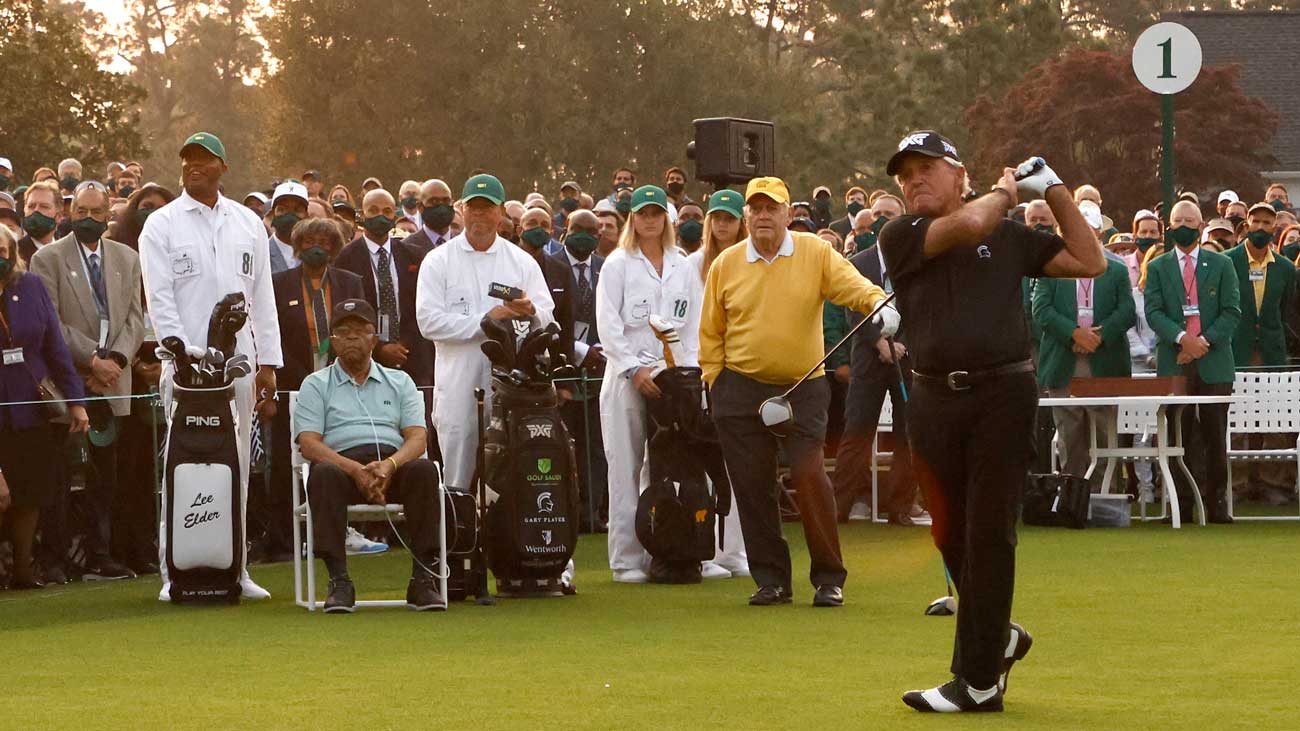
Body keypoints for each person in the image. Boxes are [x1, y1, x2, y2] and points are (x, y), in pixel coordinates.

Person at [879, 132, 1101, 712]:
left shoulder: (1006, 234)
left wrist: (1052, 189)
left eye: (927, 169)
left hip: (1004, 393)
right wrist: (1006, 193)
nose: (914, 181)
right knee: (949, 532)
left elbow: (1090, 259)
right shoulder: (901, 233)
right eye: (905, 175)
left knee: (989, 534)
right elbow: (968, 228)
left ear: (959, 175)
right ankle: (997, 636)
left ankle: (977, 683)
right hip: (932, 398)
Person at [701, 176, 890, 609]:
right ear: (747, 215)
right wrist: (716, 381)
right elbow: (711, 330)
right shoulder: (726, 264)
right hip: (739, 387)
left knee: (809, 475)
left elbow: (852, 286)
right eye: (757, 208)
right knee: (752, 485)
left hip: (803, 386)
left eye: (773, 208)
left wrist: (880, 303)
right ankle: (772, 579)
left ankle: (828, 577)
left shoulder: (815, 252)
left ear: (789, 214)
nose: (764, 216)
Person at [139, 132, 283, 601]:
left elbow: (263, 298)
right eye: (187, 160)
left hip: (239, 365)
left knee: (236, 464)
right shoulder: (160, 225)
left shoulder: (247, 223)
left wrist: (269, 364)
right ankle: (173, 571)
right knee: (180, 464)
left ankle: (236, 569)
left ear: (223, 166)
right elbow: (160, 300)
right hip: (185, 369)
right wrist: (181, 353)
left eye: (203, 160)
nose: (193, 166)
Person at [295, 299, 446, 612]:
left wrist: (389, 466)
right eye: (343, 332)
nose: (351, 338)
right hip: (341, 468)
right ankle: (339, 581)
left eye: (360, 331)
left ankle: (423, 579)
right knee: (322, 474)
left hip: (391, 466)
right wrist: (355, 470)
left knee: (425, 471)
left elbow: (418, 437)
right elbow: (308, 443)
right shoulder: (315, 384)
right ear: (332, 341)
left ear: (374, 339)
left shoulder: (400, 381)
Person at [29, 180, 146, 581]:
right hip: (69, 383)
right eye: (82, 212)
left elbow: (134, 317)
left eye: (98, 213)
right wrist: (91, 361)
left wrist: (114, 359)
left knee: (106, 477)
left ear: (108, 213)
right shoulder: (48, 259)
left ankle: (102, 553)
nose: (90, 219)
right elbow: (51, 323)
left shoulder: (127, 257)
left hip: (114, 381)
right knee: (60, 477)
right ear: (69, 213)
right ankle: (56, 559)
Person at [596, 185, 713, 582]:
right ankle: (626, 559)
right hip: (627, 377)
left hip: (674, 378)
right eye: (643, 214)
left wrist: (688, 372)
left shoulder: (683, 265)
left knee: (667, 466)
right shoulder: (618, 264)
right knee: (625, 466)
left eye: (656, 214)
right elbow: (608, 325)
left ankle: (666, 549)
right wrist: (634, 368)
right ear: (633, 218)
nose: (649, 220)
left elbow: (694, 323)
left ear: (667, 219)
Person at [415, 174, 555, 492]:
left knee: (511, 475)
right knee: (457, 478)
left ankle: (506, 541)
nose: (480, 215)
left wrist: (529, 311)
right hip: (458, 384)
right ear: (461, 210)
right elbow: (428, 322)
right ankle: (459, 539)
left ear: (501, 211)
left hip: (513, 385)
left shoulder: (521, 262)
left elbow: (547, 315)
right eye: (474, 208)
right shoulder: (438, 261)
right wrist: (487, 320)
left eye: (487, 207)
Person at [263, 218, 366, 563]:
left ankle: (335, 533)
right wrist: (303, 376)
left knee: (337, 457)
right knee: (284, 460)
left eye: (324, 240)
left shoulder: (351, 283)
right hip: (293, 383)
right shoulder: (279, 284)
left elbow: (360, 330)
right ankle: (282, 541)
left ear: (335, 246)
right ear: (297, 246)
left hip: (341, 382)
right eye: (308, 240)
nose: (315, 246)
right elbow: (270, 333)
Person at [0, 224, 90, 589]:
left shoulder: (30, 286)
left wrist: (76, 402)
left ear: (11, 252)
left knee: (30, 490)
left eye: (1, 249)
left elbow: (55, 346)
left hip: (32, 407)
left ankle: (22, 569)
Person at [1144, 199, 1241, 524]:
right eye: (1178, 219)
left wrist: (1202, 342)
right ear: (1169, 227)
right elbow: (1154, 312)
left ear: (1201, 227)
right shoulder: (1157, 267)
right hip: (1175, 361)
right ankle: (1180, 504)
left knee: (1215, 434)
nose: (1184, 224)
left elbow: (1231, 311)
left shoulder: (1222, 264)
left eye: (1190, 219)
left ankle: (1216, 504)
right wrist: (1181, 339)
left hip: (1214, 361)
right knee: (1176, 434)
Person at [834, 204, 924, 526]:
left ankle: (899, 506)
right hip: (869, 359)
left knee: (909, 434)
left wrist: (901, 346)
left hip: (907, 358)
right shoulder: (859, 263)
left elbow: (921, 311)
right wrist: (878, 343)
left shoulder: (914, 265)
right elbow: (852, 308)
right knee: (857, 431)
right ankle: (839, 507)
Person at [681, 189, 750, 576]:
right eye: (717, 218)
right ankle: (703, 547)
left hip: (740, 370)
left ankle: (733, 551)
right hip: (699, 372)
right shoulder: (690, 265)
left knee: (738, 461)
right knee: (701, 461)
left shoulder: (749, 261)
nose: (723, 225)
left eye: (729, 218)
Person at [334, 188, 435, 450]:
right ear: (361, 216)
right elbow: (346, 311)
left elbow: (419, 307)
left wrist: (403, 345)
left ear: (396, 214)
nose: (381, 216)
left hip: (412, 354)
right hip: (365, 355)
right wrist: (379, 347)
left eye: (387, 211)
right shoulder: (345, 257)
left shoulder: (412, 254)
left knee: (417, 425)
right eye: (374, 211)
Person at [1032, 243, 1135, 490]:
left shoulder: (1117, 271)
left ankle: (1106, 498)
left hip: (1105, 363)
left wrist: (1097, 337)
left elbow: (1127, 312)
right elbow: (1041, 309)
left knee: (1104, 436)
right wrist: (1074, 334)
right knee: (1070, 438)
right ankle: (1073, 498)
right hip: (1064, 364)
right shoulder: (1051, 271)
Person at [556, 210, 609, 532]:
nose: (584, 236)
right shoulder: (551, 267)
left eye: (592, 231)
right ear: (566, 231)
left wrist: (601, 350)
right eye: (578, 230)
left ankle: (594, 512)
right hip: (565, 368)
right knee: (566, 445)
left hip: (601, 368)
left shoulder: (605, 269)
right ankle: (567, 511)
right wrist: (578, 351)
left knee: (597, 447)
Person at [1226, 202, 1295, 369]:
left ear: (1274, 228)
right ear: (1247, 225)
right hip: (1235, 350)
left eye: (1266, 223)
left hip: (1272, 354)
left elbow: (1284, 310)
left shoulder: (1285, 267)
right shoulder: (1227, 261)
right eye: (1255, 221)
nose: (1260, 227)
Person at [404, 179, 455, 255]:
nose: (441, 207)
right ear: (420, 207)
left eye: (446, 200)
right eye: (434, 201)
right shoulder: (406, 247)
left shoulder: (465, 242)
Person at [267, 181, 309, 274]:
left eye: (297, 210)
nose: (290, 216)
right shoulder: (261, 252)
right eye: (282, 209)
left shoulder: (314, 254)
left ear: (307, 216)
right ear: (272, 214)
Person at [19, 181, 61, 265]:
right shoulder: (14, 253)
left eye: (44, 206)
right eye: (31, 206)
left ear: (58, 216)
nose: (36, 211)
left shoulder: (68, 253)